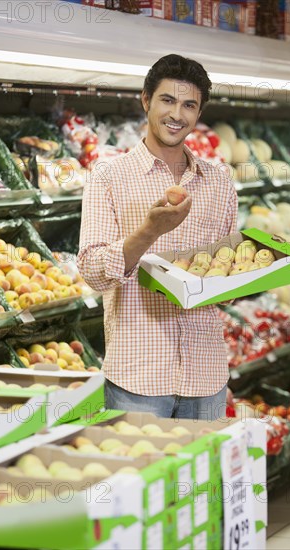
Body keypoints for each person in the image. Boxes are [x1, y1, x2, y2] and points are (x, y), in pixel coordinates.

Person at [78, 54, 238, 420]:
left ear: (199, 113)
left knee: (204, 480)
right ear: (146, 100)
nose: (177, 115)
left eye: (189, 105)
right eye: (167, 100)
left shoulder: (219, 182)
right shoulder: (108, 175)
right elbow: (91, 270)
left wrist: (249, 278)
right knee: (140, 476)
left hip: (206, 376)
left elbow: (227, 273)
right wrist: (150, 231)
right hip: (138, 378)